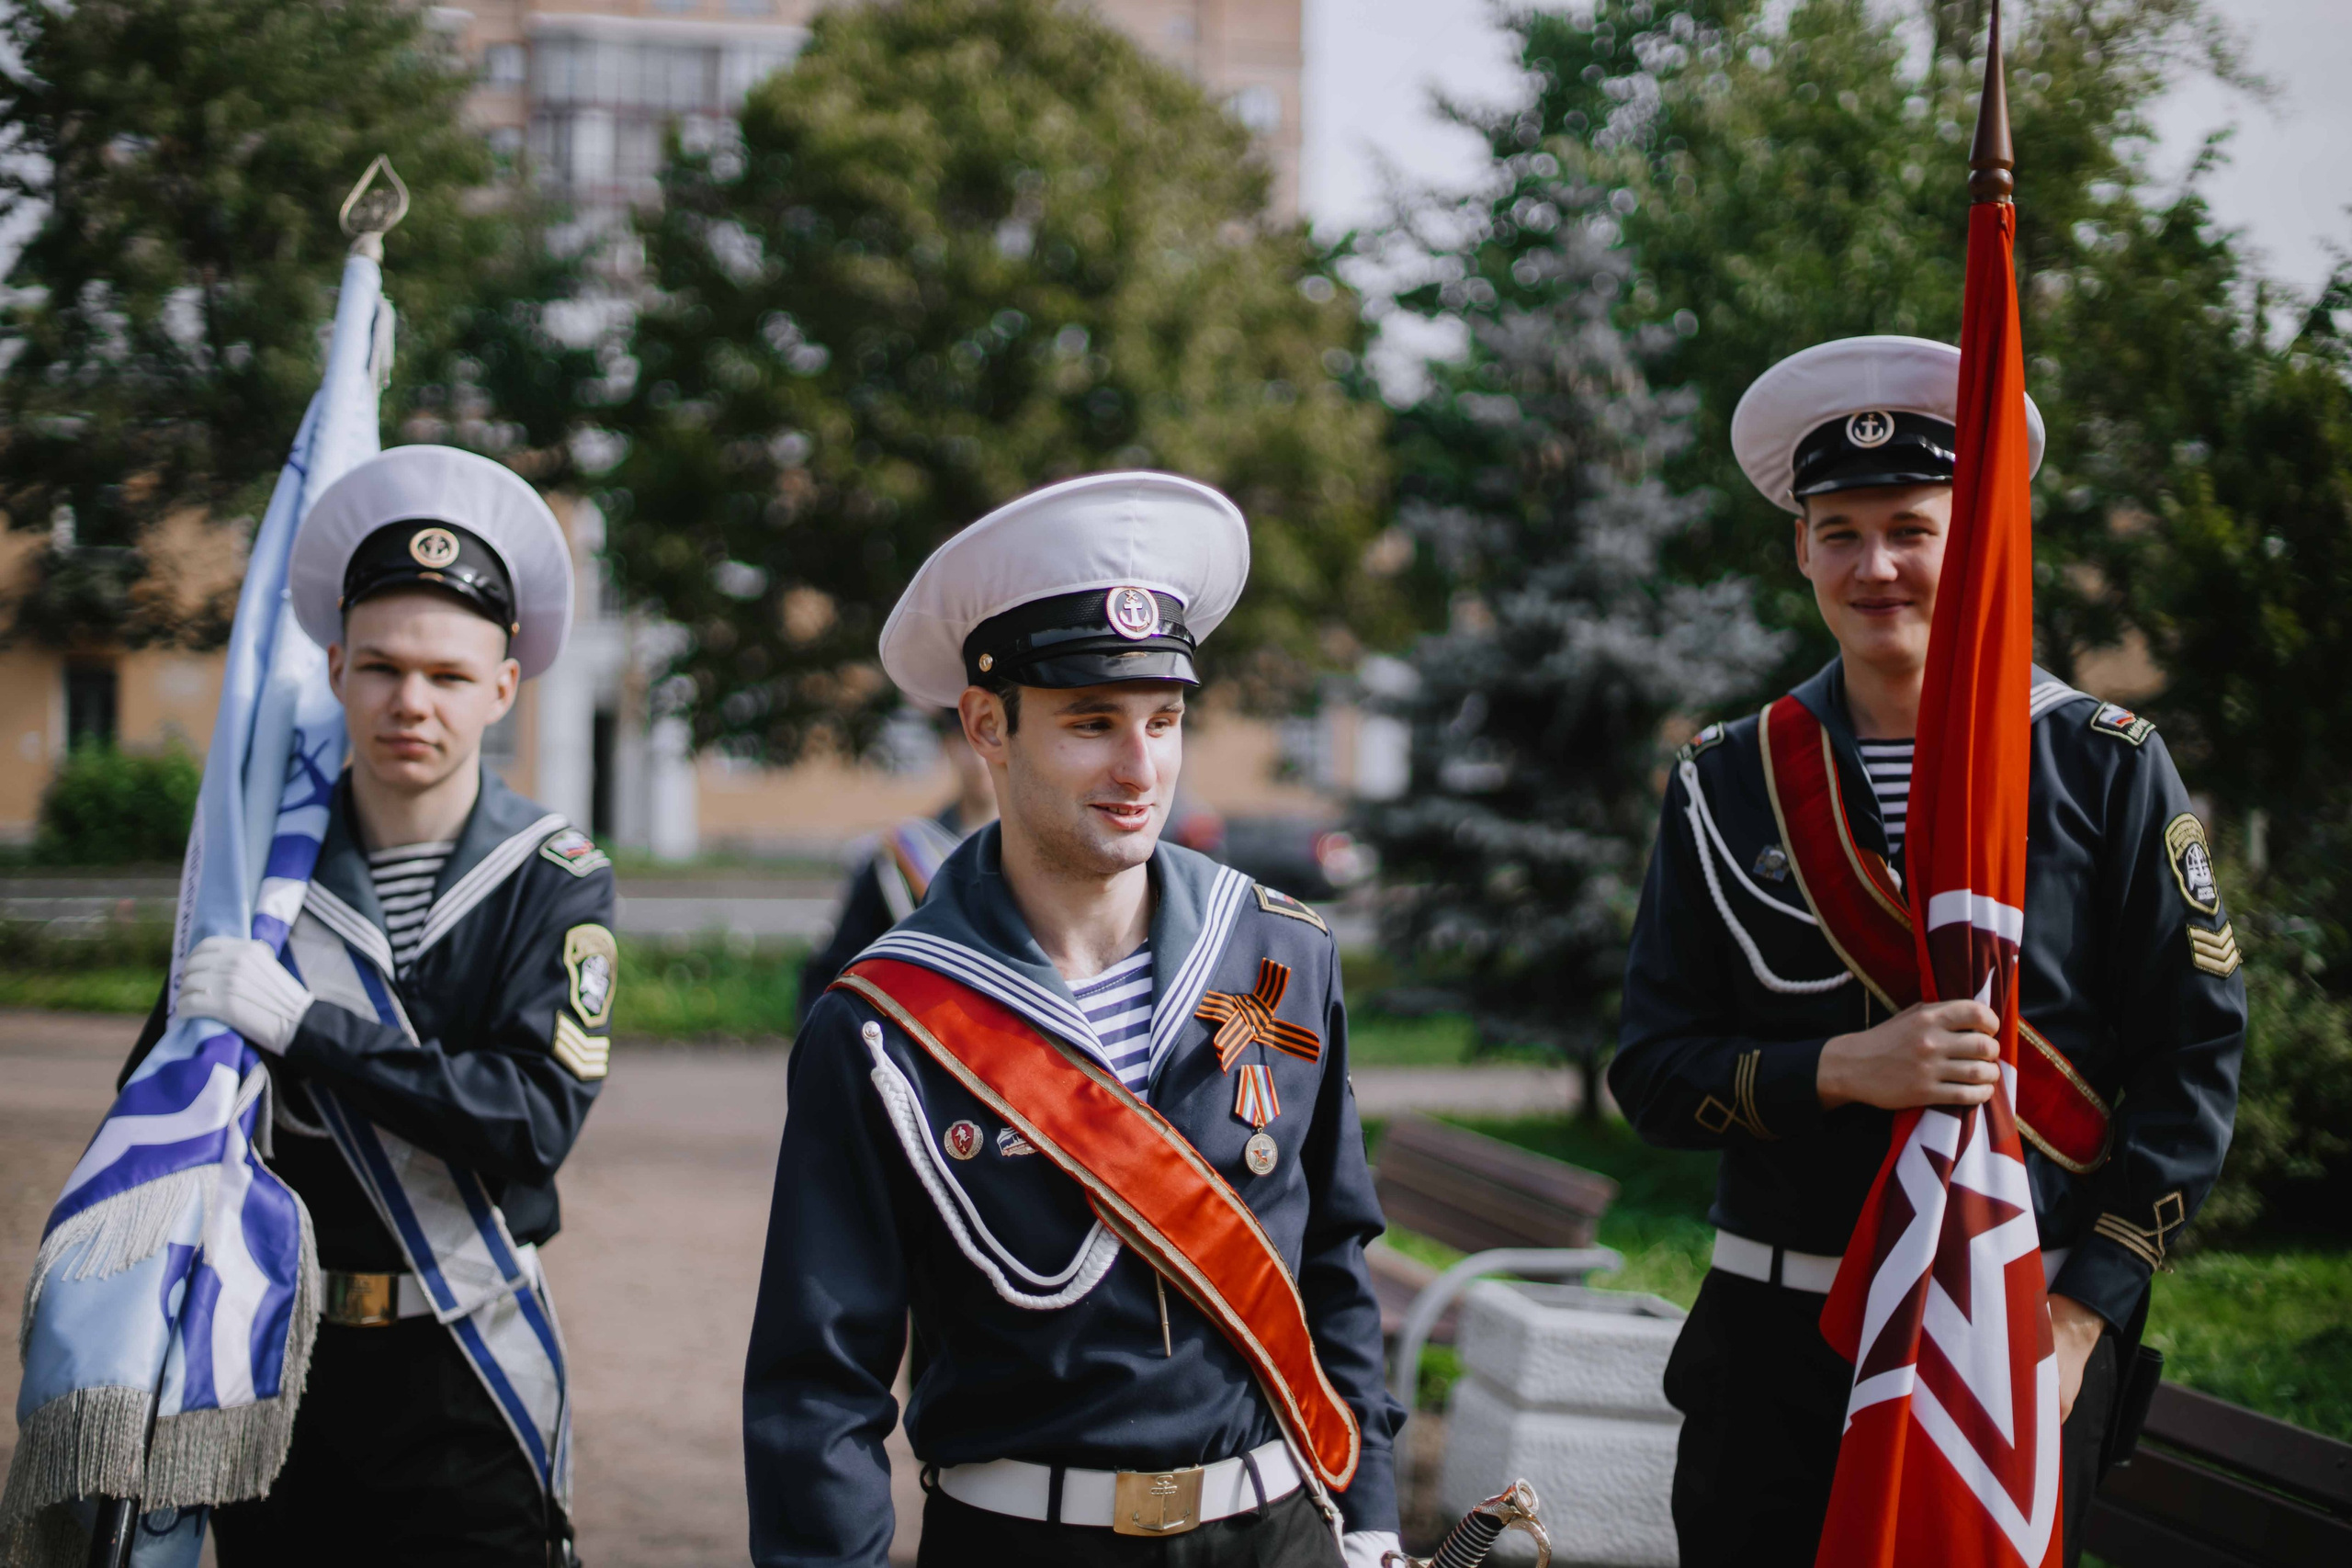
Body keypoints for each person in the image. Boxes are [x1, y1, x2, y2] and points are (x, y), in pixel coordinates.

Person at [1609, 335, 2246, 1568]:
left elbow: (2195, 1058)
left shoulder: (2103, 764)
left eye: (1912, 524)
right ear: (1800, 548)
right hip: (1776, 1343)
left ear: (1982, 535)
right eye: (1839, 531)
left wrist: (2079, 1317)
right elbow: (1652, 1069)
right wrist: (1845, 1067)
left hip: (2007, 1327)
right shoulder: (1728, 780)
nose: (1877, 564)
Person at [743, 472, 1405, 1567]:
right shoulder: (880, 1026)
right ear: (986, 725)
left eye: (1163, 719)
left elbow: (1331, 1261)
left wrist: (1372, 1519)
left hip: (1281, 1534)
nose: (1139, 768)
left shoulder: (1282, 951)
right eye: (1092, 723)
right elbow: (820, 1384)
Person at [121, 445, 612, 1566]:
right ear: (335, 668)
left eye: (447, 675)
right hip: (276, 1373)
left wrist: (306, 1028)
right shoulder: (257, 882)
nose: (410, 702)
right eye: (382, 666)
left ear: (503, 685)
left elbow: (532, 1121)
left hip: (463, 1374)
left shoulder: (556, 876)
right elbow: (165, 1111)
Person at [797, 709, 998, 1027]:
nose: (980, 757)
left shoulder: (1048, 856)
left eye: (996, 734)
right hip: (922, 1047)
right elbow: (838, 969)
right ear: (948, 745)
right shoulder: (901, 855)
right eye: (968, 739)